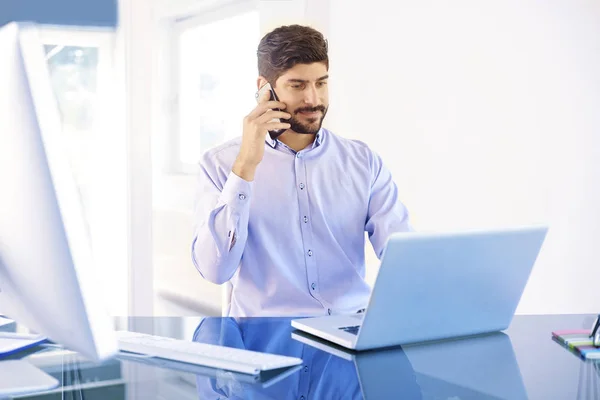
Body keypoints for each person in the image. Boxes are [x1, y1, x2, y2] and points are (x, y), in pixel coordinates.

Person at [191, 24, 412, 317]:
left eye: (320, 83)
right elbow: (214, 270)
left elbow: (404, 255)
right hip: (264, 337)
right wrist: (245, 167)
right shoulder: (220, 164)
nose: (313, 99)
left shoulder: (363, 162)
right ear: (264, 89)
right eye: (297, 86)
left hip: (348, 329)